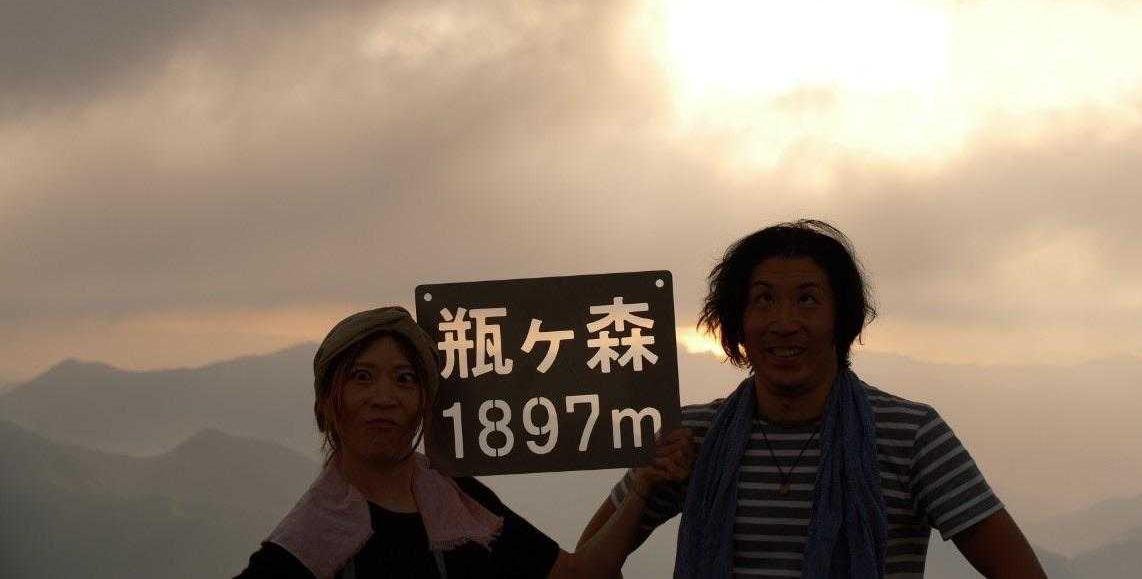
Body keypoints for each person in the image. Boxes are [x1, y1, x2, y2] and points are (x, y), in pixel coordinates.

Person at [578, 220, 1046, 579]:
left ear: (841, 319)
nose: (784, 323)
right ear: (738, 323)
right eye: (763, 300)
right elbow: (584, 567)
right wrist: (643, 487)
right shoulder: (690, 439)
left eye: (807, 300)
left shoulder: (912, 436)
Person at [236, 305, 689, 578]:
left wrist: (642, 486)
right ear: (326, 403)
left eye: (405, 379)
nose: (384, 398)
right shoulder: (304, 546)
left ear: (424, 403)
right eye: (361, 377)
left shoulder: (462, 502)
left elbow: (578, 575)